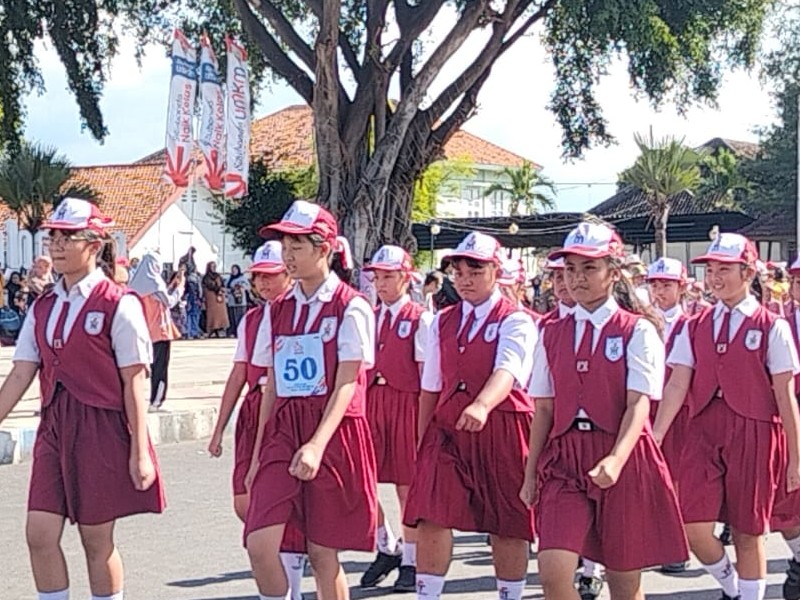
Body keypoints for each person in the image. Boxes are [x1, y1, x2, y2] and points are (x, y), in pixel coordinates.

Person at [0, 197, 164, 600]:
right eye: (53, 237)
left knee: (96, 538)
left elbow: (134, 381)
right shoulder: (44, 305)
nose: (56, 245)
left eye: (67, 237)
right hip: (54, 425)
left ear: (93, 244)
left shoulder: (118, 303)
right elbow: (21, 372)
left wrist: (140, 451)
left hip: (101, 426)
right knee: (39, 533)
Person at [522, 222, 688, 600]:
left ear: (614, 273)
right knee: (553, 571)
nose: (577, 278)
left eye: (589, 267)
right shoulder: (551, 332)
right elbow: (544, 408)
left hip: (622, 455)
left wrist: (616, 458)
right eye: (570, 269)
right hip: (565, 459)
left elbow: (638, 403)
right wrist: (530, 473)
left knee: (624, 582)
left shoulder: (637, 331)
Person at [654, 233, 800, 600]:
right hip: (703, 429)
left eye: (725, 269)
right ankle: (732, 587)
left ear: (748, 272)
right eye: (711, 270)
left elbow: (785, 394)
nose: (715, 278)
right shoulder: (694, 324)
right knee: (693, 526)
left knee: (748, 531)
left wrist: (796, 458)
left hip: (755, 429)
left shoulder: (772, 326)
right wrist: (654, 437)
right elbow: (677, 384)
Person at [245, 200, 377, 600]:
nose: (287, 255)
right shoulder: (276, 310)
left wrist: (317, 444)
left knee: (322, 552)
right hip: (284, 429)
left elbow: (348, 382)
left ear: (325, 249)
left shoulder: (351, 306)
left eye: (297, 246)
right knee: (259, 543)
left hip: (331, 431)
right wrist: (257, 454)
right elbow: (272, 385)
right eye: (285, 246)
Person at [404, 232, 537, 600]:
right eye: (458, 272)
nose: (465, 280)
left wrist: (482, 404)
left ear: (495, 271)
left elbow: (508, 370)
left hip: (502, 426)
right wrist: (422, 439)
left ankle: (510, 594)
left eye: (475, 271)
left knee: (506, 520)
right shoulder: (441, 321)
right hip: (448, 429)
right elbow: (431, 384)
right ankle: (427, 594)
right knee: (430, 511)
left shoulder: (516, 320)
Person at [208, 240, 306, 600]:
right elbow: (238, 373)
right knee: (244, 501)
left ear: (288, 274)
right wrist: (219, 428)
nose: (263, 283)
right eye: (258, 277)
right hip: (253, 408)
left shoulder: (298, 314)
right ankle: (281, 571)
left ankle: (291, 584)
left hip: (286, 408)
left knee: (280, 503)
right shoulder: (251, 320)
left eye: (271, 275)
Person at [359, 245, 433, 592]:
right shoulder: (368, 316)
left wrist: (425, 422)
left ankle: (412, 559)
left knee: (407, 486)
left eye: (389, 276)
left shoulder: (420, 319)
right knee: (360, 479)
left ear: (406, 278)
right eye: (378, 277)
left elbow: (426, 374)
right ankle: (386, 544)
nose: (382, 283)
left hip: (406, 404)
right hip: (372, 402)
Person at [128, 252, 184, 410]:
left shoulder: (135, 284)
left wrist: (171, 286)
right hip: (160, 331)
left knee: (142, 368)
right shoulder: (155, 283)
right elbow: (169, 302)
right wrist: (180, 288)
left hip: (143, 331)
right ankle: (156, 400)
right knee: (160, 368)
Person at [202, 261, 230, 338]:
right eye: (212, 266)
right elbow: (209, 285)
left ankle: (220, 328)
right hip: (211, 297)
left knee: (221, 314)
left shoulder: (218, 276)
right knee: (212, 314)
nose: (213, 268)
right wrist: (218, 289)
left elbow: (222, 284)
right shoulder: (206, 277)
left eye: (214, 266)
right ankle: (212, 329)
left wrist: (221, 289)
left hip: (219, 297)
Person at [227, 264, 250, 336]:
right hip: (232, 300)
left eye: (235, 269)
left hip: (240, 301)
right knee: (232, 317)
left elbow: (248, 287)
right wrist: (230, 290)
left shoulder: (242, 278)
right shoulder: (229, 279)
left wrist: (241, 287)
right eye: (232, 270)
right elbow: (226, 288)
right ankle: (233, 331)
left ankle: (240, 331)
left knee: (240, 317)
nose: (234, 271)